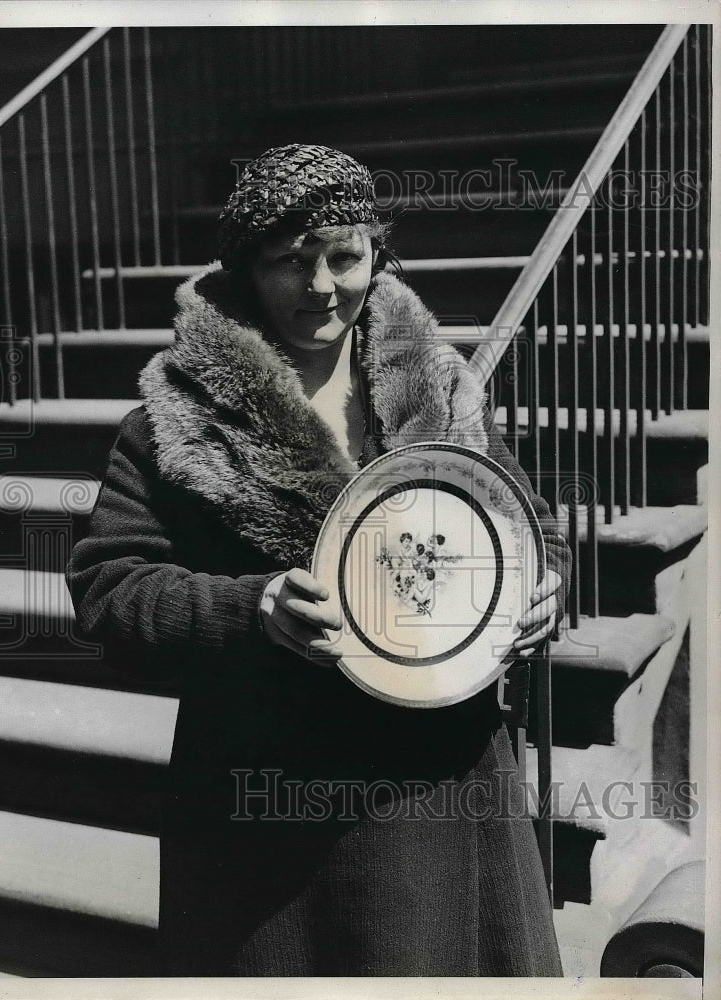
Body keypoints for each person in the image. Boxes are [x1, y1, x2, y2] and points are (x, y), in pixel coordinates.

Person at [66, 143, 570, 976]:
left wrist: (544, 585)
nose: (324, 286)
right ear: (244, 269)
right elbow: (109, 591)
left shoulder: (438, 388)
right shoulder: (174, 421)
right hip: (275, 825)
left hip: (445, 789)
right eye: (291, 263)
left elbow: (526, 523)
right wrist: (251, 609)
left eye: (346, 257)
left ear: (379, 255)